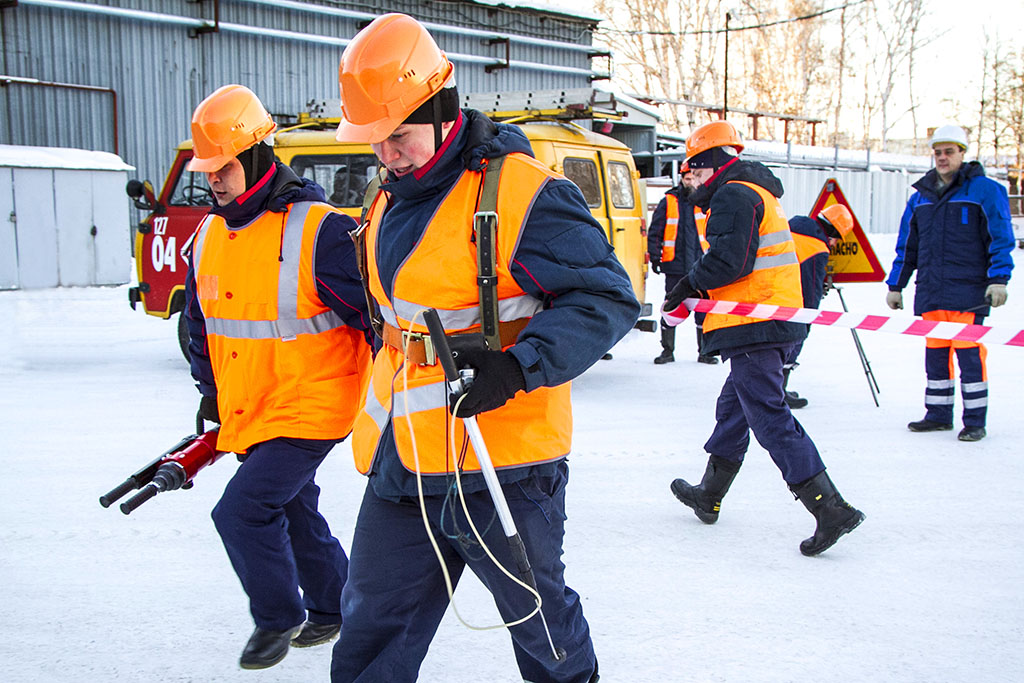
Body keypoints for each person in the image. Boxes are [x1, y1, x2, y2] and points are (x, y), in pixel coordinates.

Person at [329, 13, 638, 683]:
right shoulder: (386, 200)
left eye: (399, 137)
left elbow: (607, 299)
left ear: (441, 108)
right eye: (374, 142)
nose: (386, 155)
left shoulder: (526, 195)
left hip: (504, 462)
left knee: (541, 627)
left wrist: (518, 365)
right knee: (370, 630)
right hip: (405, 457)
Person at [183, 85, 373, 670]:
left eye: (226, 167)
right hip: (252, 405)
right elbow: (200, 327)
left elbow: (377, 319)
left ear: (261, 154)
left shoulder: (322, 231)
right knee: (292, 507)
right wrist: (212, 396)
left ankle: (277, 616)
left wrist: (396, 403)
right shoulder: (209, 235)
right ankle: (335, 604)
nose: (215, 180)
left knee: (240, 511)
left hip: (314, 406)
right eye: (209, 170)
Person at [663, 120, 864, 556]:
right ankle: (710, 494)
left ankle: (829, 508)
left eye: (691, 170)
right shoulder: (750, 191)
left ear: (709, 164)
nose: (689, 180)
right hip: (764, 319)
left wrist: (687, 286)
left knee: (769, 416)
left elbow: (728, 262)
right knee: (734, 409)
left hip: (755, 321)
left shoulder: (734, 194)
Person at [885, 124, 1014, 442]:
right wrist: (896, 284)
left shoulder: (985, 191)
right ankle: (938, 415)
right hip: (931, 290)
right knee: (936, 353)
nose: (942, 158)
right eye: (938, 152)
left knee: (969, 355)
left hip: (969, 290)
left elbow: (1000, 237)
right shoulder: (920, 198)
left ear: (962, 153)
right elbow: (908, 245)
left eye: (949, 152)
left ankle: (974, 421)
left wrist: (999, 279)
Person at [782, 204, 855, 408]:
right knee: (793, 340)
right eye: (836, 238)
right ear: (832, 230)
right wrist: (809, 318)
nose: (833, 244)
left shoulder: (792, 225)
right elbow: (811, 286)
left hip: (771, 294)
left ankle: (775, 390)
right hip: (792, 302)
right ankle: (778, 392)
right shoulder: (816, 248)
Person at [648, 163, 718, 365]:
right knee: (671, 306)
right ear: (681, 179)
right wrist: (655, 256)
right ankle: (667, 350)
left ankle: (705, 352)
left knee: (703, 309)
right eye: (686, 179)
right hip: (675, 266)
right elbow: (656, 231)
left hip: (701, 264)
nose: (690, 182)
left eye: (692, 178)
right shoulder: (669, 201)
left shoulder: (705, 202)